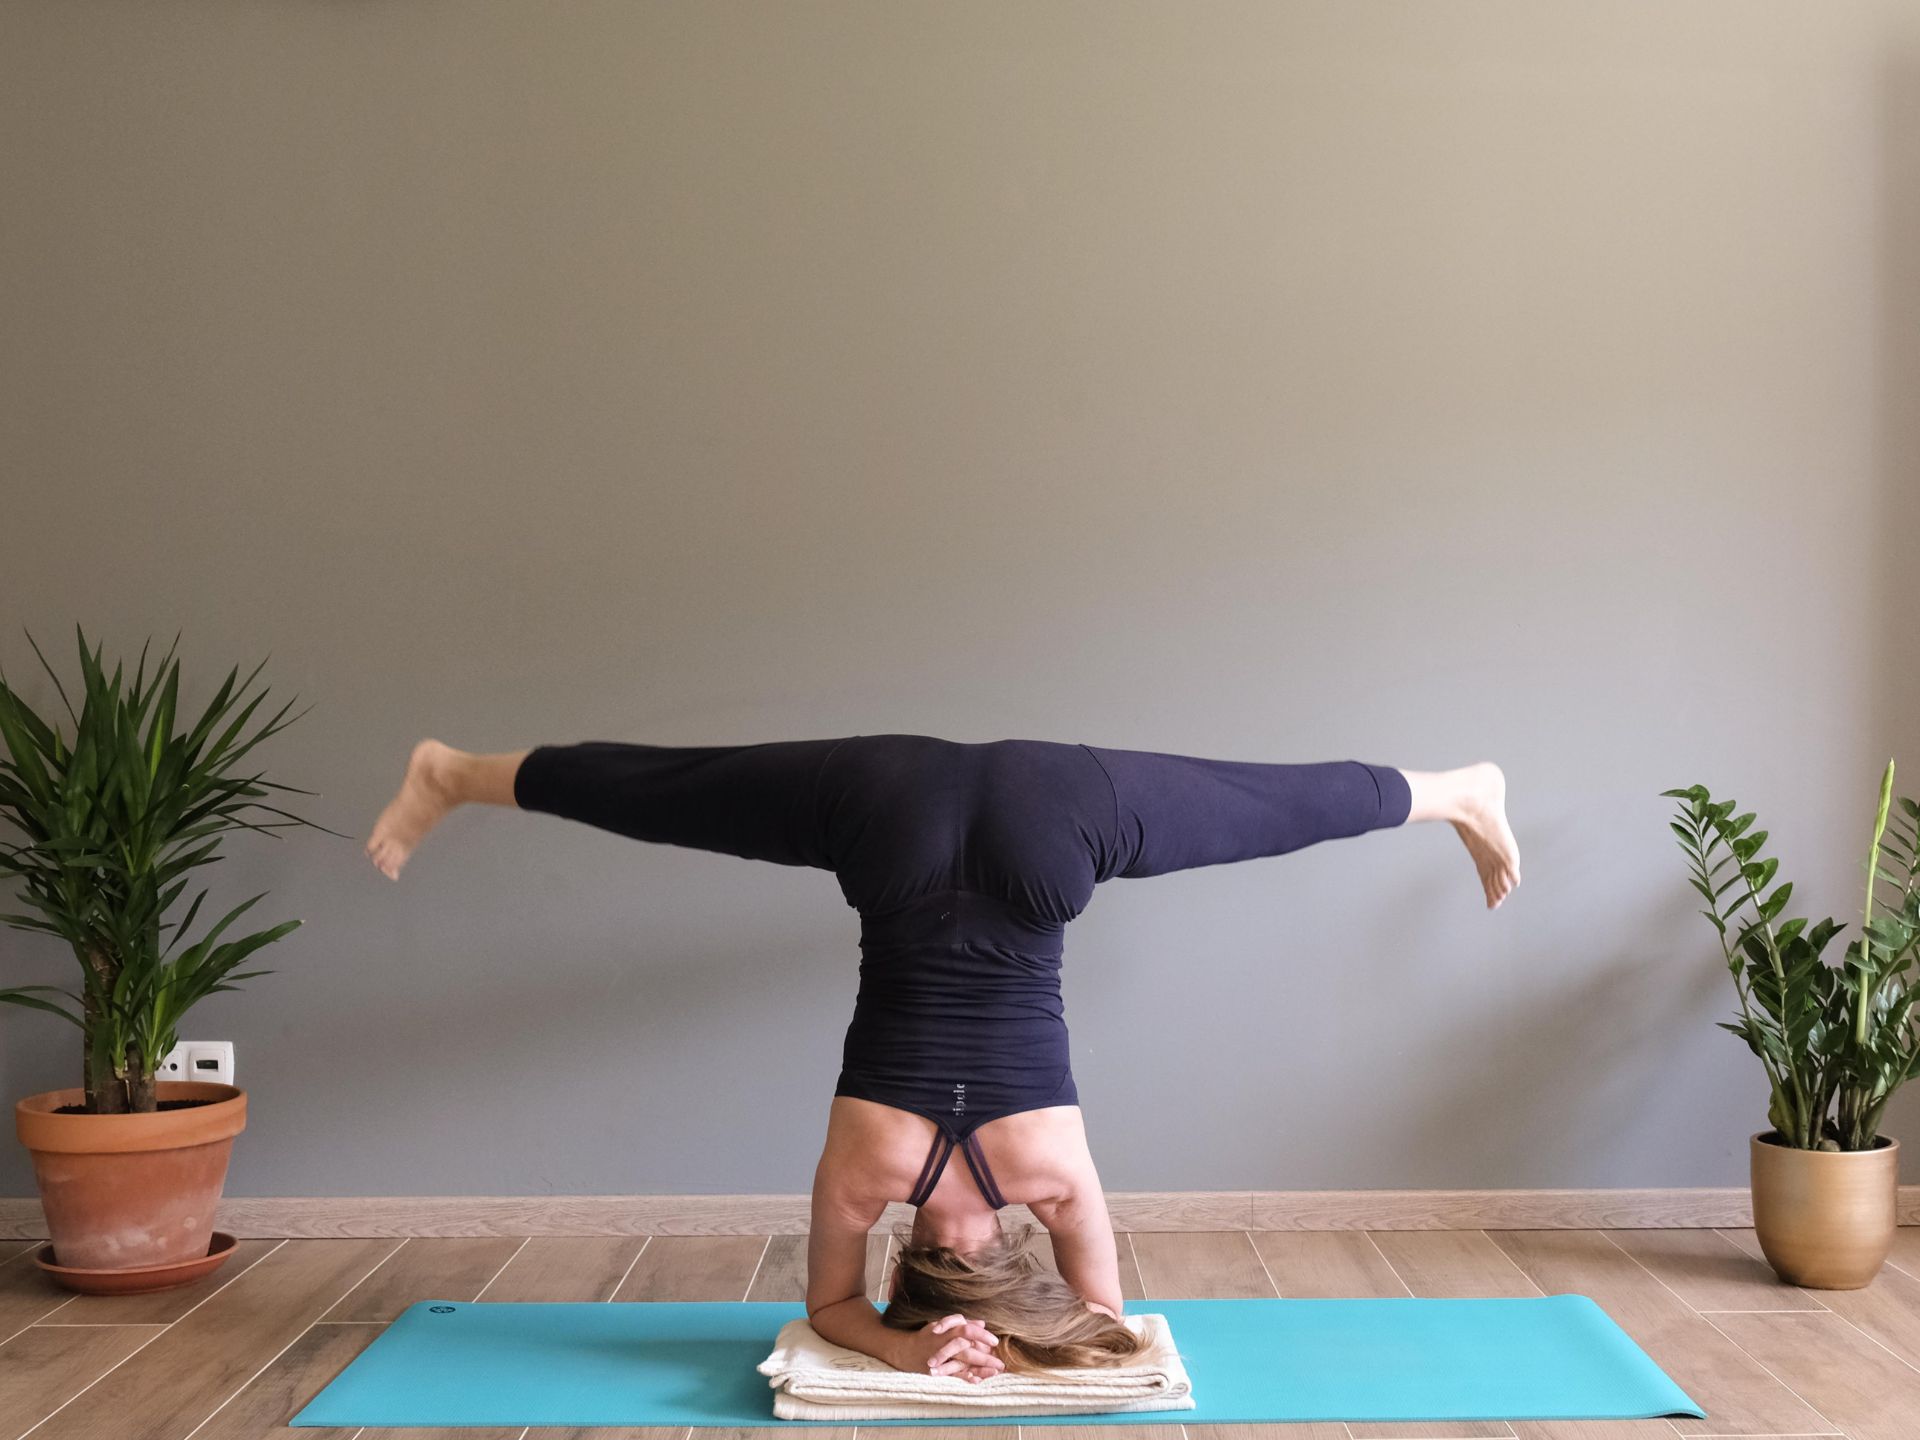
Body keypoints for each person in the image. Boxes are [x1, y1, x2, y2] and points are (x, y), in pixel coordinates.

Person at [366, 733, 1519, 1380]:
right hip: (908, 822)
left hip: (1020, 831)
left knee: (1254, 802)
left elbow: (1106, 1325)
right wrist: (920, 1344)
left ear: (991, 1254)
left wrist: (975, 1350)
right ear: (916, 1256)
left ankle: (1452, 790)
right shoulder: (872, 1184)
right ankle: (458, 775)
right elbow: (833, 1308)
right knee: (684, 794)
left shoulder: (1048, 1186)